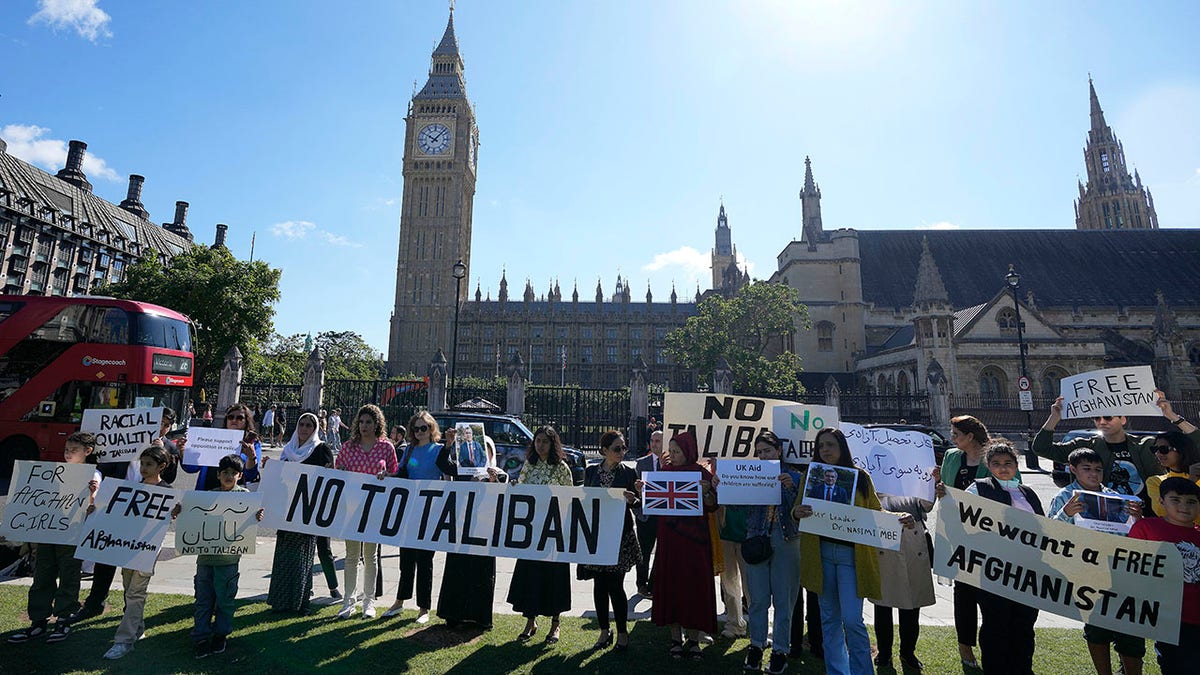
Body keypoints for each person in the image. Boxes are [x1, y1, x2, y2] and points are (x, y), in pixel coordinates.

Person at [793, 427, 911, 675]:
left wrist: (898, 518)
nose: (825, 450)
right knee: (829, 620)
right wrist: (797, 512)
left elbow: (876, 512)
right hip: (821, 555)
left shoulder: (860, 478)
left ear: (842, 448)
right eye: (821, 446)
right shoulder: (810, 476)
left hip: (851, 558)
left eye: (830, 445)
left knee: (852, 620)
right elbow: (797, 511)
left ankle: (862, 671)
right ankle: (837, 671)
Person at [1047, 448, 1145, 675]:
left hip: (1119, 569)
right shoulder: (1064, 497)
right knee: (1097, 628)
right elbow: (1050, 534)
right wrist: (1066, 513)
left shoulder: (1115, 496)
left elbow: (1129, 535)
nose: (1094, 474)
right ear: (1073, 469)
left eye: (1098, 469)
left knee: (1130, 627)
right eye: (1087, 469)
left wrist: (1137, 519)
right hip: (1086, 572)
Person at [6, 432, 100, 644]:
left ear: (88, 452)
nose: (68, 454)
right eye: (66, 450)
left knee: (69, 576)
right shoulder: (54, 471)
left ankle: (63, 619)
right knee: (42, 574)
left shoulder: (93, 475)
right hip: (47, 531)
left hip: (71, 535)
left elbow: (92, 506)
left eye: (73, 451)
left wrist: (92, 495)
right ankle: (38, 621)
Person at [964, 441, 1044, 675]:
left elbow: (1044, 528)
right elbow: (964, 519)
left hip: (1027, 571)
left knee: (1024, 626)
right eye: (996, 464)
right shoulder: (978, 488)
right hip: (994, 571)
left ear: (1016, 465)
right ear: (988, 466)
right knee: (996, 626)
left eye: (1008, 463)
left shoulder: (1027, 492)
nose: (1003, 468)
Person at [1034, 391, 1199, 500]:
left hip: (1149, 516)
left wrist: (1172, 416)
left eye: (1108, 417)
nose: (1102, 422)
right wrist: (1054, 418)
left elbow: (1195, 443)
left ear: (1123, 419)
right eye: (1097, 419)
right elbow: (1041, 448)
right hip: (1106, 519)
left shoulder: (1147, 444)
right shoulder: (1085, 446)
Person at [179, 454, 265, 658]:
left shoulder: (245, 497)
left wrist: (257, 516)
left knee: (225, 600)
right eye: (225, 473)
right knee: (203, 599)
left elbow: (249, 523)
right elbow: (191, 518)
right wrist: (181, 511)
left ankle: (220, 634)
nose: (229, 476)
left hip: (228, 561)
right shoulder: (207, 497)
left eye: (233, 473)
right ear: (218, 475)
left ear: (240, 475)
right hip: (205, 560)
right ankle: (200, 635)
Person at [647, 431, 719, 661]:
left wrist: (707, 493)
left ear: (688, 452)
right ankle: (676, 638)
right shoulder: (664, 472)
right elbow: (654, 503)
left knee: (694, 587)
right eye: (672, 450)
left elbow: (713, 506)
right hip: (669, 540)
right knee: (672, 586)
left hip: (695, 542)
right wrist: (643, 490)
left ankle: (694, 640)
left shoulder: (700, 473)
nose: (673, 455)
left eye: (677, 451)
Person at [102, 445, 175, 660]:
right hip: (127, 546)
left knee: (135, 592)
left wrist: (175, 510)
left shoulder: (167, 491)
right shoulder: (132, 488)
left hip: (147, 549)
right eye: (142, 464)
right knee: (128, 589)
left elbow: (168, 516)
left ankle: (124, 641)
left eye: (149, 464)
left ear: (161, 466)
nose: (143, 468)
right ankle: (137, 627)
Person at [939, 414, 1000, 669]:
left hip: (989, 537)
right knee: (963, 593)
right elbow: (944, 490)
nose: (952, 439)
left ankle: (991, 647)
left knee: (990, 595)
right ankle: (965, 647)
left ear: (970, 436)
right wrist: (939, 488)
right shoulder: (952, 457)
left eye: (956, 434)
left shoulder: (993, 457)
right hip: (959, 535)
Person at [740, 431, 803, 674]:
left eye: (767, 450)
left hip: (786, 540)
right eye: (759, 452)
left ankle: (780, 650)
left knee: (784, 600)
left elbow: (799, 510)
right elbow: (737, 504)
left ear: (778, 451)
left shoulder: (796, 477)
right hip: (757, 538)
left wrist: (789, 488)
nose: (763, 455)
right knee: (757, 599)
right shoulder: (753, 475)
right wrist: (722, 486)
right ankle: (756, 645)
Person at [383, 412, 454, 622]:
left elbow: (448, 469)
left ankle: (424, 608)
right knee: (406, 559)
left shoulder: (440, 449)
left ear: (431, 429)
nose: (420, 432)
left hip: (430, 511)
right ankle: (399, 601)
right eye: (416, 428)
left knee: (425, 560)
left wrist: (449, 445)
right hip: (410, 510)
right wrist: (388, 475)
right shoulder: (411, 449)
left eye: (424, 428)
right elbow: (404, 472)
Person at [508, 426, 574, 644]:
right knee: (531, 576)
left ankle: (555, 624)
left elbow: (570, 499)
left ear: (552, 443)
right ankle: (530, 621)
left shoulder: (562, 468)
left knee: (554, 577)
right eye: (537, 441)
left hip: (553, 533)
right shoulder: (529, 465)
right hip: (532, 532)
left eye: (545, 441)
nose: (540, 445)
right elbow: (523, 492)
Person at [578, 430, 641, 651]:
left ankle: (622, 633)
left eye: (624, 448)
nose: (622, 452)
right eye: (617, 448)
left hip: (620, 537)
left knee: (616, 585)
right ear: (604, 450)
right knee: (599, 585)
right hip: (597, 536)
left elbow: (641, 507)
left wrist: (634, 500)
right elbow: (585, 500)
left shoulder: (628, 473)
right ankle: (604, 631)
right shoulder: (591, 471)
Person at [268, 412, 337, 614]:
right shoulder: (288, 450)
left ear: (314, 429)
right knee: (284, 554)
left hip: (308, 511)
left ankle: (300, 601)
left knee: (303, 557)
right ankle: (280, 601)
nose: (305, 428)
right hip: (287, 510)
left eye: (309, 425)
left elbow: (328, 478)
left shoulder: (321, 448)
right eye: (302, 424)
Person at [1129, 477, 1200, 673]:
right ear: (1161, 501)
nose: (1184, 506)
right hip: (1168, 620)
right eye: (1175, 500)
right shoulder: (1146, 528)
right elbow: (1130, 569)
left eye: (1191, 502)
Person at [334, 404, 397, 619]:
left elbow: (395, 476)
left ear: (377, 423)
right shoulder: (348, 447)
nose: (364, 426)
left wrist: (386, 476)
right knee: (352, 556)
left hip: (375, 509)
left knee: (370, 557)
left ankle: (368, 602)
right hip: (351, 508)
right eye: (361, 422)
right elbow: (337, 472)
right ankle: (348, 602)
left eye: (368, 422)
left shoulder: (386, 448)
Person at [437, 431, 505, 630]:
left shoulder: (499, 474)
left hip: (484, 533)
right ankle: (453, 614)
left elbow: (502, 499)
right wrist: (448, 445)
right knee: (457, 571)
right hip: (460, 529)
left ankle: (480, 617)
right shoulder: (462, 470)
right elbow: (442, 464)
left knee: (481, 574)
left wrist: (494, 482)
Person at [872, 487, 937, 674]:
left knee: (911, 602)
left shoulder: (916, 473)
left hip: (912, 535)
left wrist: (931, 484)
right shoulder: (871, 473)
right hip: (882, 532)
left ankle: (908, 653)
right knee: (882, 602)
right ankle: (884, 653)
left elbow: (926, 505)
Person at [182, 402, 261, 491]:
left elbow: (251, 475)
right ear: (226, 420)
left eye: (239, 418)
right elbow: (191, 468)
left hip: (234, 496)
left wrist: (251, 457)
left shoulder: (253, 444)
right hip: (206, 492)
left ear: (246, 421)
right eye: (231, 417)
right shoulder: (212, 439)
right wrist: (182, 452)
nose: (234, 420)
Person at [634, 430, 665, 596]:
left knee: (661, 552)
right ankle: (641, 583)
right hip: (646, 515)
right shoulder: (642, 463)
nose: (654, 444)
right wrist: (638, 489)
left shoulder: (670, 463)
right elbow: (635, 490)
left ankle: (653, 585)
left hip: (663, 515)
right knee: (643, 552)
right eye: (652, 441)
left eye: (658, 441)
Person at [1146, 432, 1200, 522]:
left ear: (1181, 449)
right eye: (1154, 449)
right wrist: (1191, 482)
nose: (1158, 454)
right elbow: (1164, 512)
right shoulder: (1155, 482)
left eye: (1164, 449)